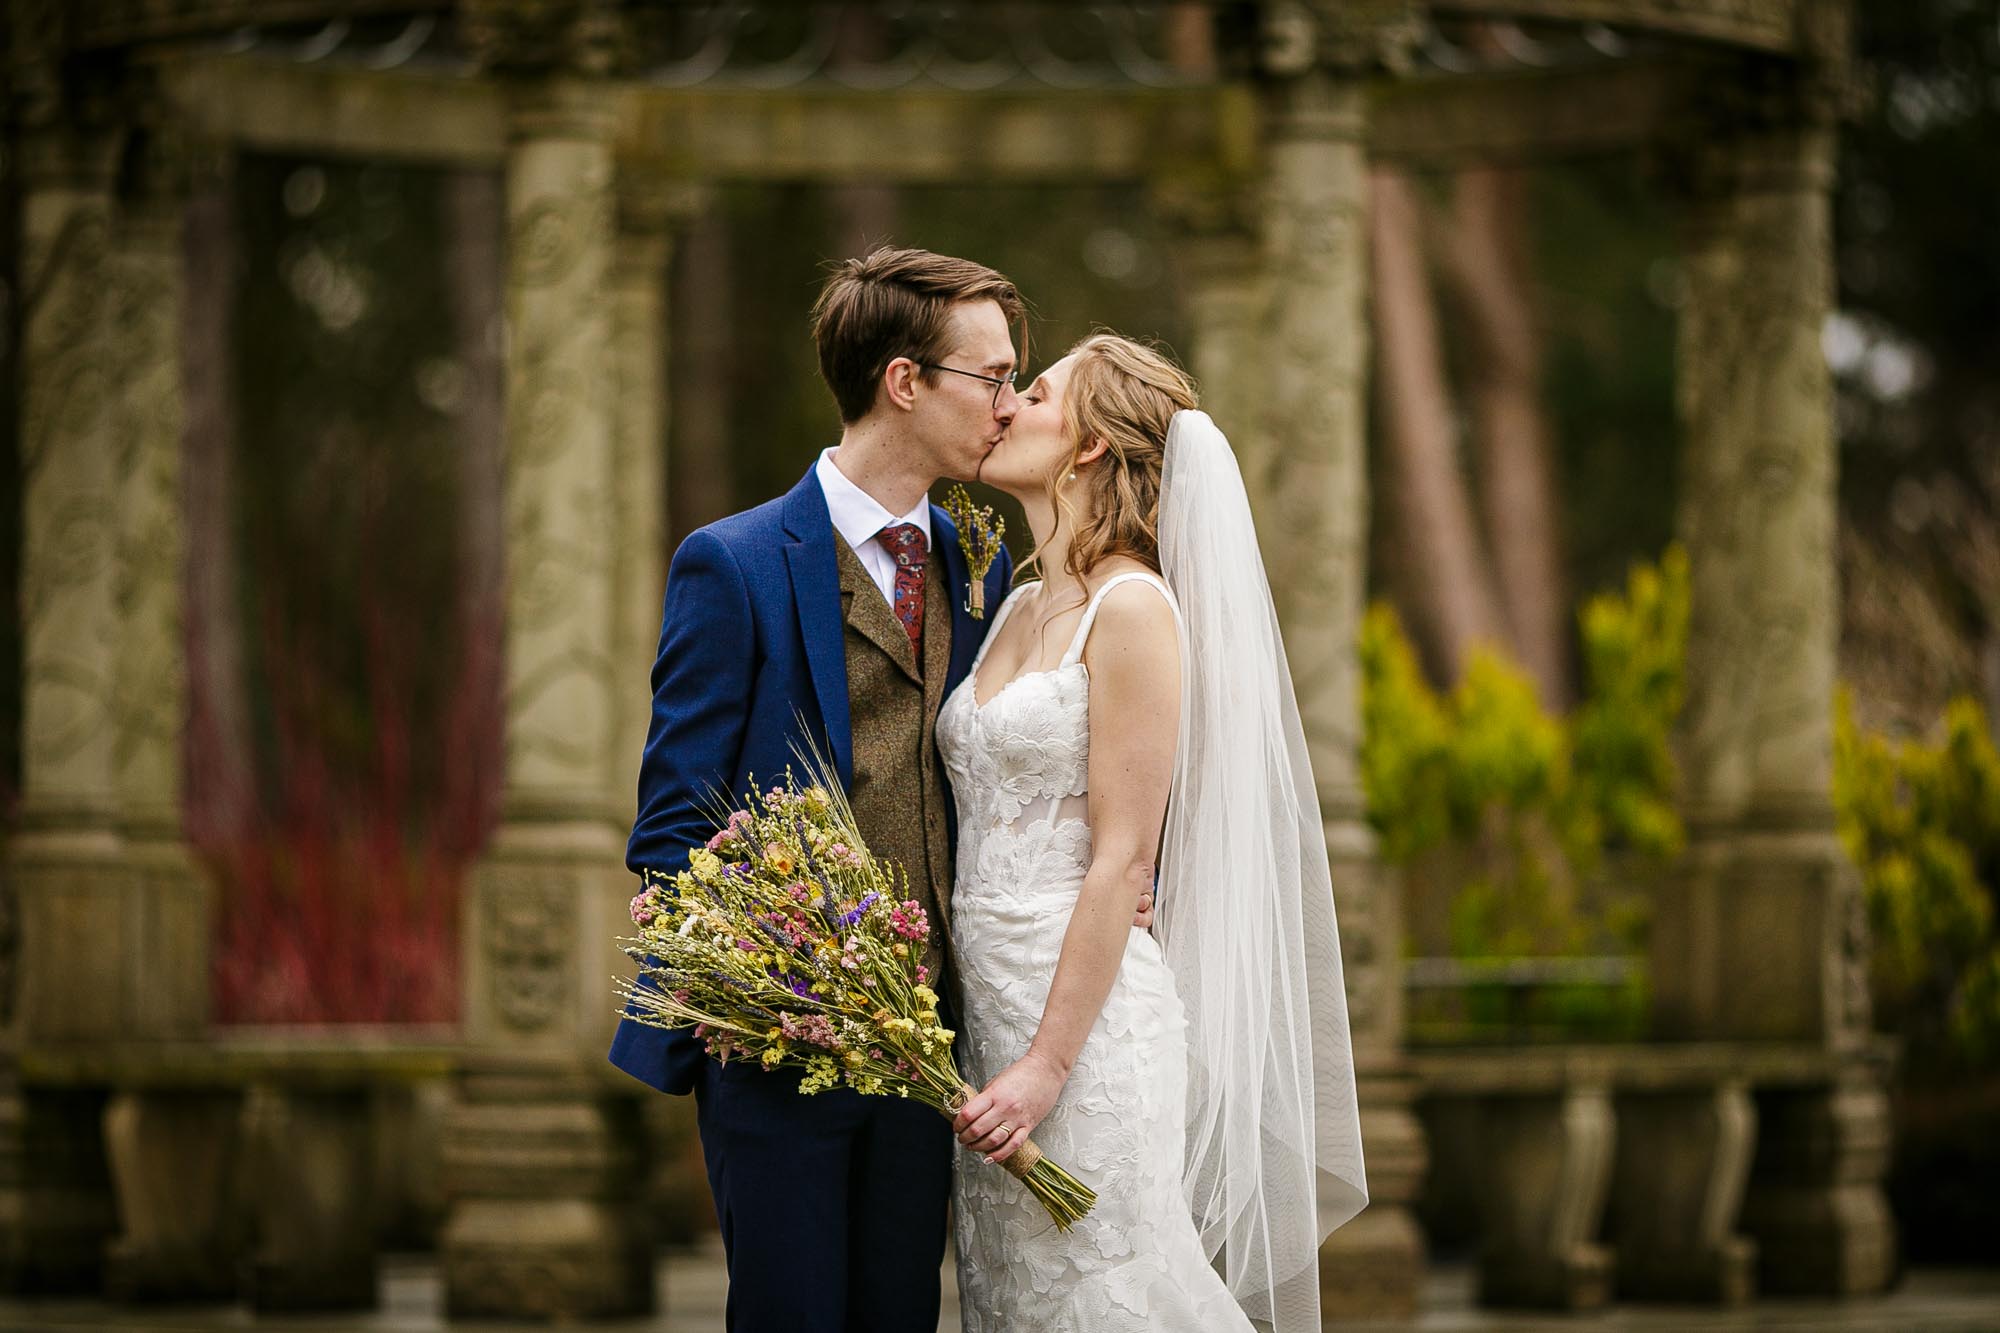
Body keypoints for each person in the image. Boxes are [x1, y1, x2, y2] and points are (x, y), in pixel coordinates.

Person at [605, 249, 1153, 1333]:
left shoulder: (982, 569)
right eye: (992, 377)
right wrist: (762, 998)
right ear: (906, 383)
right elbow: (673, 826)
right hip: (779, 1060)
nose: (1008, 403)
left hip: (936, 1057)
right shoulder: (735, 563)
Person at [942, 334, 1369, 1332]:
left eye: (1034, 392)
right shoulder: (1012, 607)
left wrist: (1044, 1065)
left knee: (1105, 1294)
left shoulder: (1134, 610)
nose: (1005, 405)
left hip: (1082, 1040)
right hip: (987, 1022)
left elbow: (1122, 856)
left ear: (1088, 445)